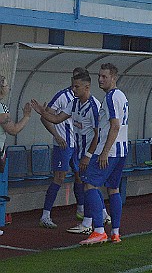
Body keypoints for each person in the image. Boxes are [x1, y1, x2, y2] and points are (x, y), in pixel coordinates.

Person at [31, 72, 105, 235]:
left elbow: (98, 135)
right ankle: (94, 220)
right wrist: (42, 112)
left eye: (76, 86)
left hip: (89, 153)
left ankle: (94, 224)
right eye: (73, 85)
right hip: (74, 149)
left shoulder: (94, 106)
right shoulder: (72, 102)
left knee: (89, 185)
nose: (73, 89)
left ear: (86, 87)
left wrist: (88, 155)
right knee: (86, 184)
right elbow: (56, 118)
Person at [79, 63, 129, 245]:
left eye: (104, 77)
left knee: (89, 185)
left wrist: (104, 152)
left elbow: (114, 125)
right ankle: (115, 232)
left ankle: (99, 230)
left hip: (110, 150)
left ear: (113, 78)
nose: (100, 79)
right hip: (122, 150)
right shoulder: (121, 96)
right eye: (99, 76)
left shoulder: (111, 97)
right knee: (113, 189)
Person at [38, 67, 86, 229]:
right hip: (63, 145)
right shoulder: (62, 96)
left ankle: (81, 209)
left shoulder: (84, 99)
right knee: (60, 177)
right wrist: (57, 136)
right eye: (74, 80)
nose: (75, 84)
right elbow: (45, 118)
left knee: (80, 175)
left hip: (77, 145)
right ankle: (45, 215)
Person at [0, 75, 31, 236]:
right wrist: (27, 116)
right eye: (6, 85)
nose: (8, 88)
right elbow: (13, 129)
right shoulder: (1, 109)